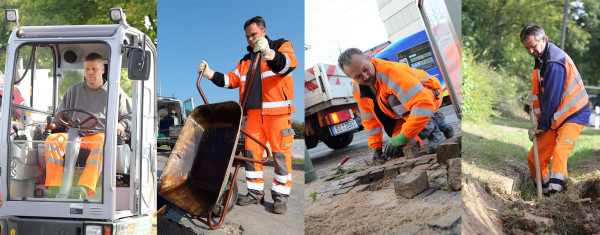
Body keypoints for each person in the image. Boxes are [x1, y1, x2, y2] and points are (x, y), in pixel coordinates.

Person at [197, 16, 297, 214]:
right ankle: (255, 194)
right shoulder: (245, 60)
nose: (250, 39)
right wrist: (210, 74)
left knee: (280, 155)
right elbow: (230, 80)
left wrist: (268, 52)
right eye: (247, 36)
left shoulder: (282, 45)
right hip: (252, 116)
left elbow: (288, 65)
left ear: (264, 31)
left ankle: (280, 197)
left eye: (254, 35)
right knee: (251, 155)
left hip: (277, 113)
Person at [338, 48, 453, 161]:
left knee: (394, 101)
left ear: (369, 59)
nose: (366, 77)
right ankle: (437, 120)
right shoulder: (357, 90)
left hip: (429, 94)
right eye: (358, 76)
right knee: (399, 149)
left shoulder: (391, 72)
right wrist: (376, 148)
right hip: (402, 112)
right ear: (350, 77)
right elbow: (369, 120)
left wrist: (403, 137)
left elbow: (423, 104)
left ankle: (434, 133)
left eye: (365, 69)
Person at [44, 53, 132, 199]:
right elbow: (61, 116)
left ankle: (84, 187)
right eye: (87, 69)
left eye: (94, 69)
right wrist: (52, 125)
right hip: (73, 134)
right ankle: (55, 186)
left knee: (102, 143)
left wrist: (121, 124)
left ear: (102, 70)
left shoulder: (115, 92)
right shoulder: (73, 90)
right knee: (52, 139)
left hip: (99, 134)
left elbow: (130, 117)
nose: (90, 73)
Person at [520, 23, 590, 196]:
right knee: (534, 158)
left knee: (560, 152)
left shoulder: (553, 62)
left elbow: (551, 100)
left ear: (543, 39)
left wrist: (539, 127)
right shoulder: (542, 58)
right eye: (527, 48)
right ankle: (544, 192)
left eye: (533, 46)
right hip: (556, 116)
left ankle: (556, 197)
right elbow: (545, 94)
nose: (530, 51)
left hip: (574, 114)